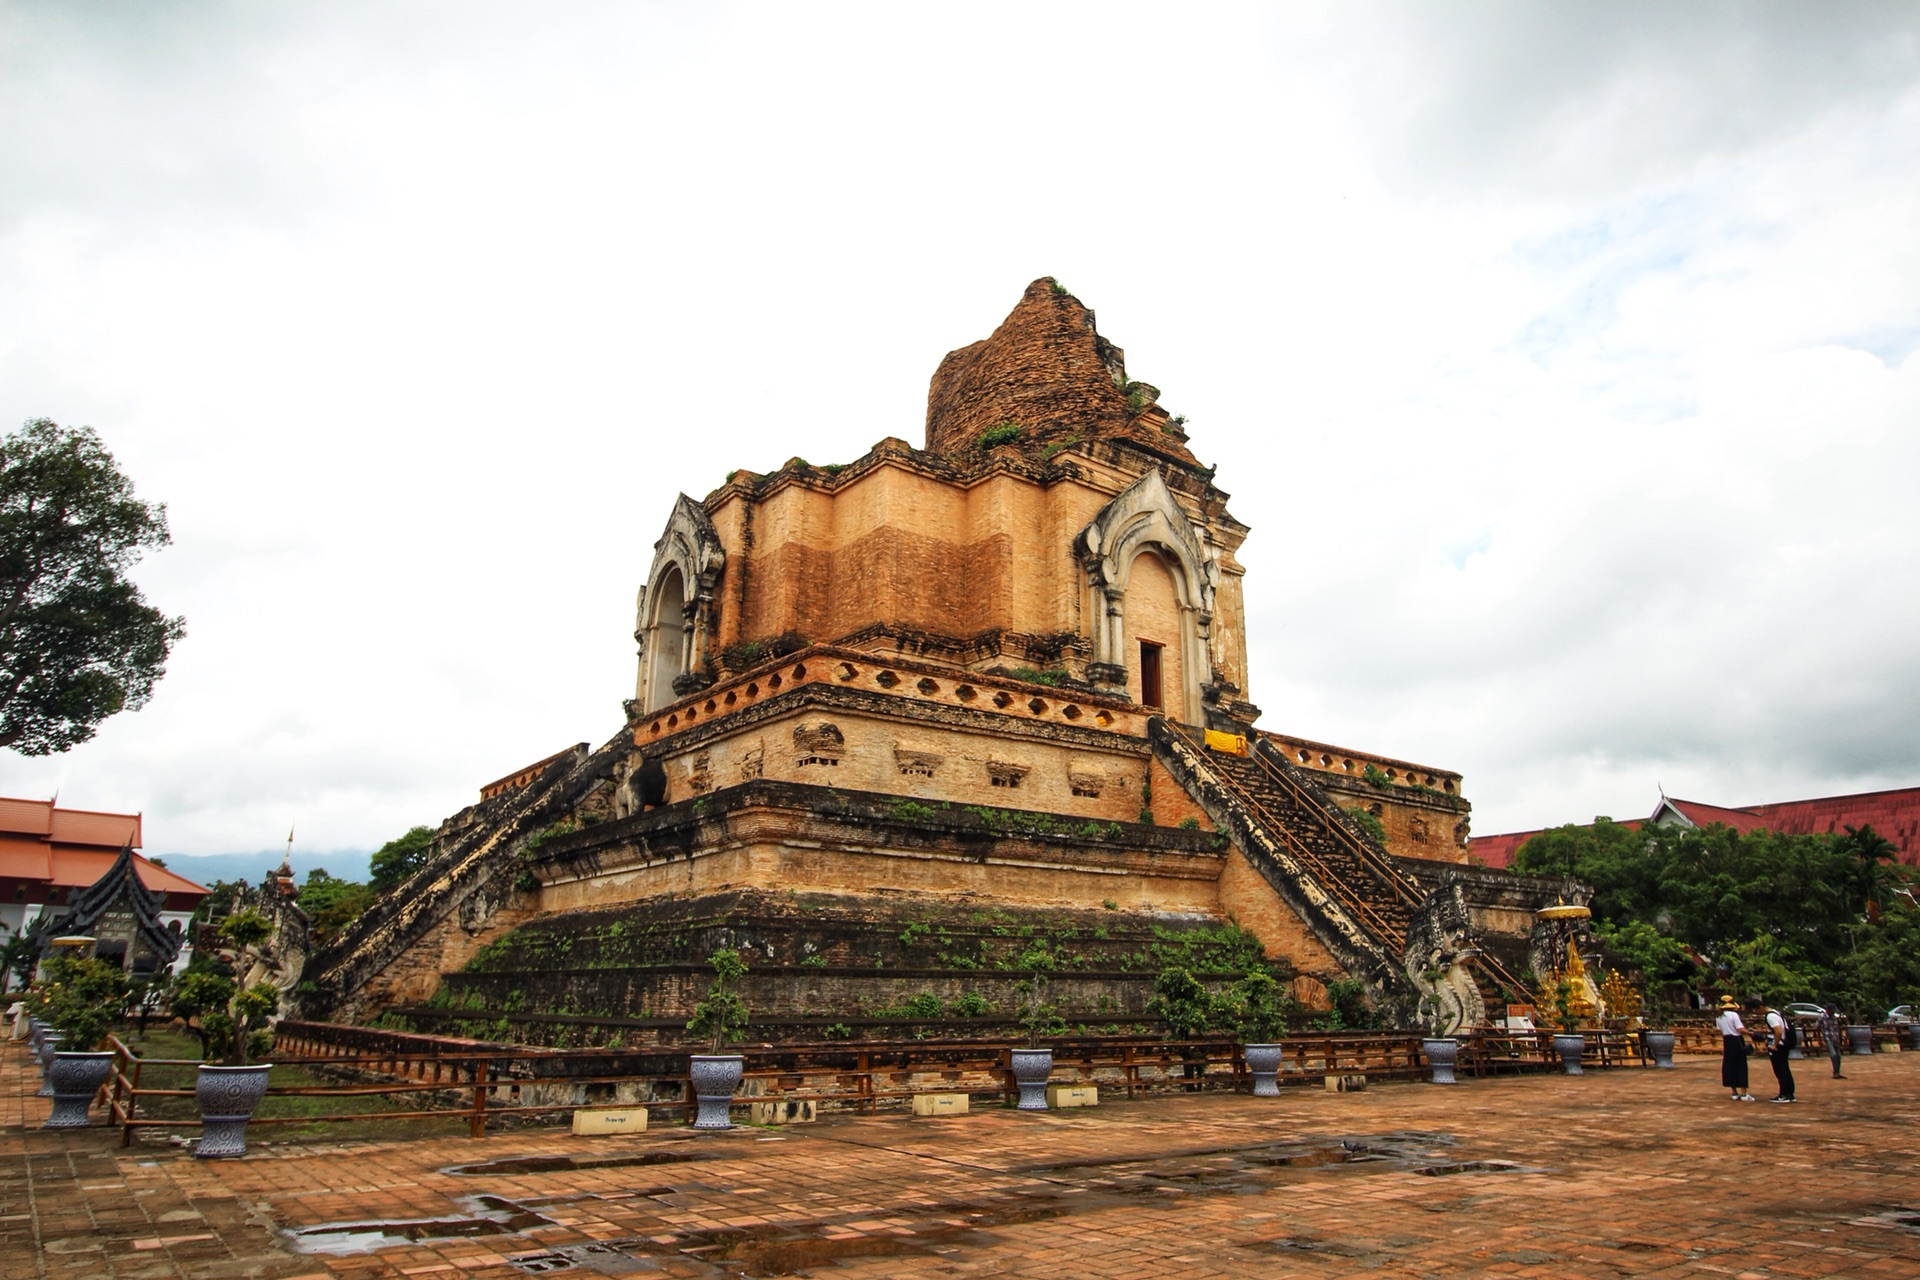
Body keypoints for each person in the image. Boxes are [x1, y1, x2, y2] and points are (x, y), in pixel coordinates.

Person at [1755, 999, 1795, 1102]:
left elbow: (1778, 1031)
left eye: (1756, 1010)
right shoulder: (1776, 1013)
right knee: (1784, 1069)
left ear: (1760, 1007)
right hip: (1783, 1044)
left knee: (1780, 1070)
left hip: (1779, 1046)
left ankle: (1784, 1094)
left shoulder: (1770, 1016)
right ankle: (1788, 1093)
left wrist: (1774, 1045)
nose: (1756, 1013)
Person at [1716, 995, 1754, 1100]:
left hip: (1727, 1041)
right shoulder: (1734, 1015)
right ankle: (1744, 1093)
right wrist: (1750, 1033)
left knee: (1730, 1065)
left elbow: (1720, 1030)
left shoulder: (1719, 1016)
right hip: (1736, 1040)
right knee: (1741, 1065)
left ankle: (1734, 1092)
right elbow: (1740, 1029)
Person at [1818, 1005, 1846, 1079]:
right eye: (1832, 1010)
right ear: (1828, 1010)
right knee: (1833, 1055)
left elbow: (1836, 1027)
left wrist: (1840, 1036)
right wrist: (1819, 1039)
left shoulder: (1833, 1017)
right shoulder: (1822, 1017)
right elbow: (1818, 1028)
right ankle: (1835, 1072)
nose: (1833, 1012)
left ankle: (1837, 1072)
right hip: (1827, 1038)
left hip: (1835, 1038)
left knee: (1838, 1056)